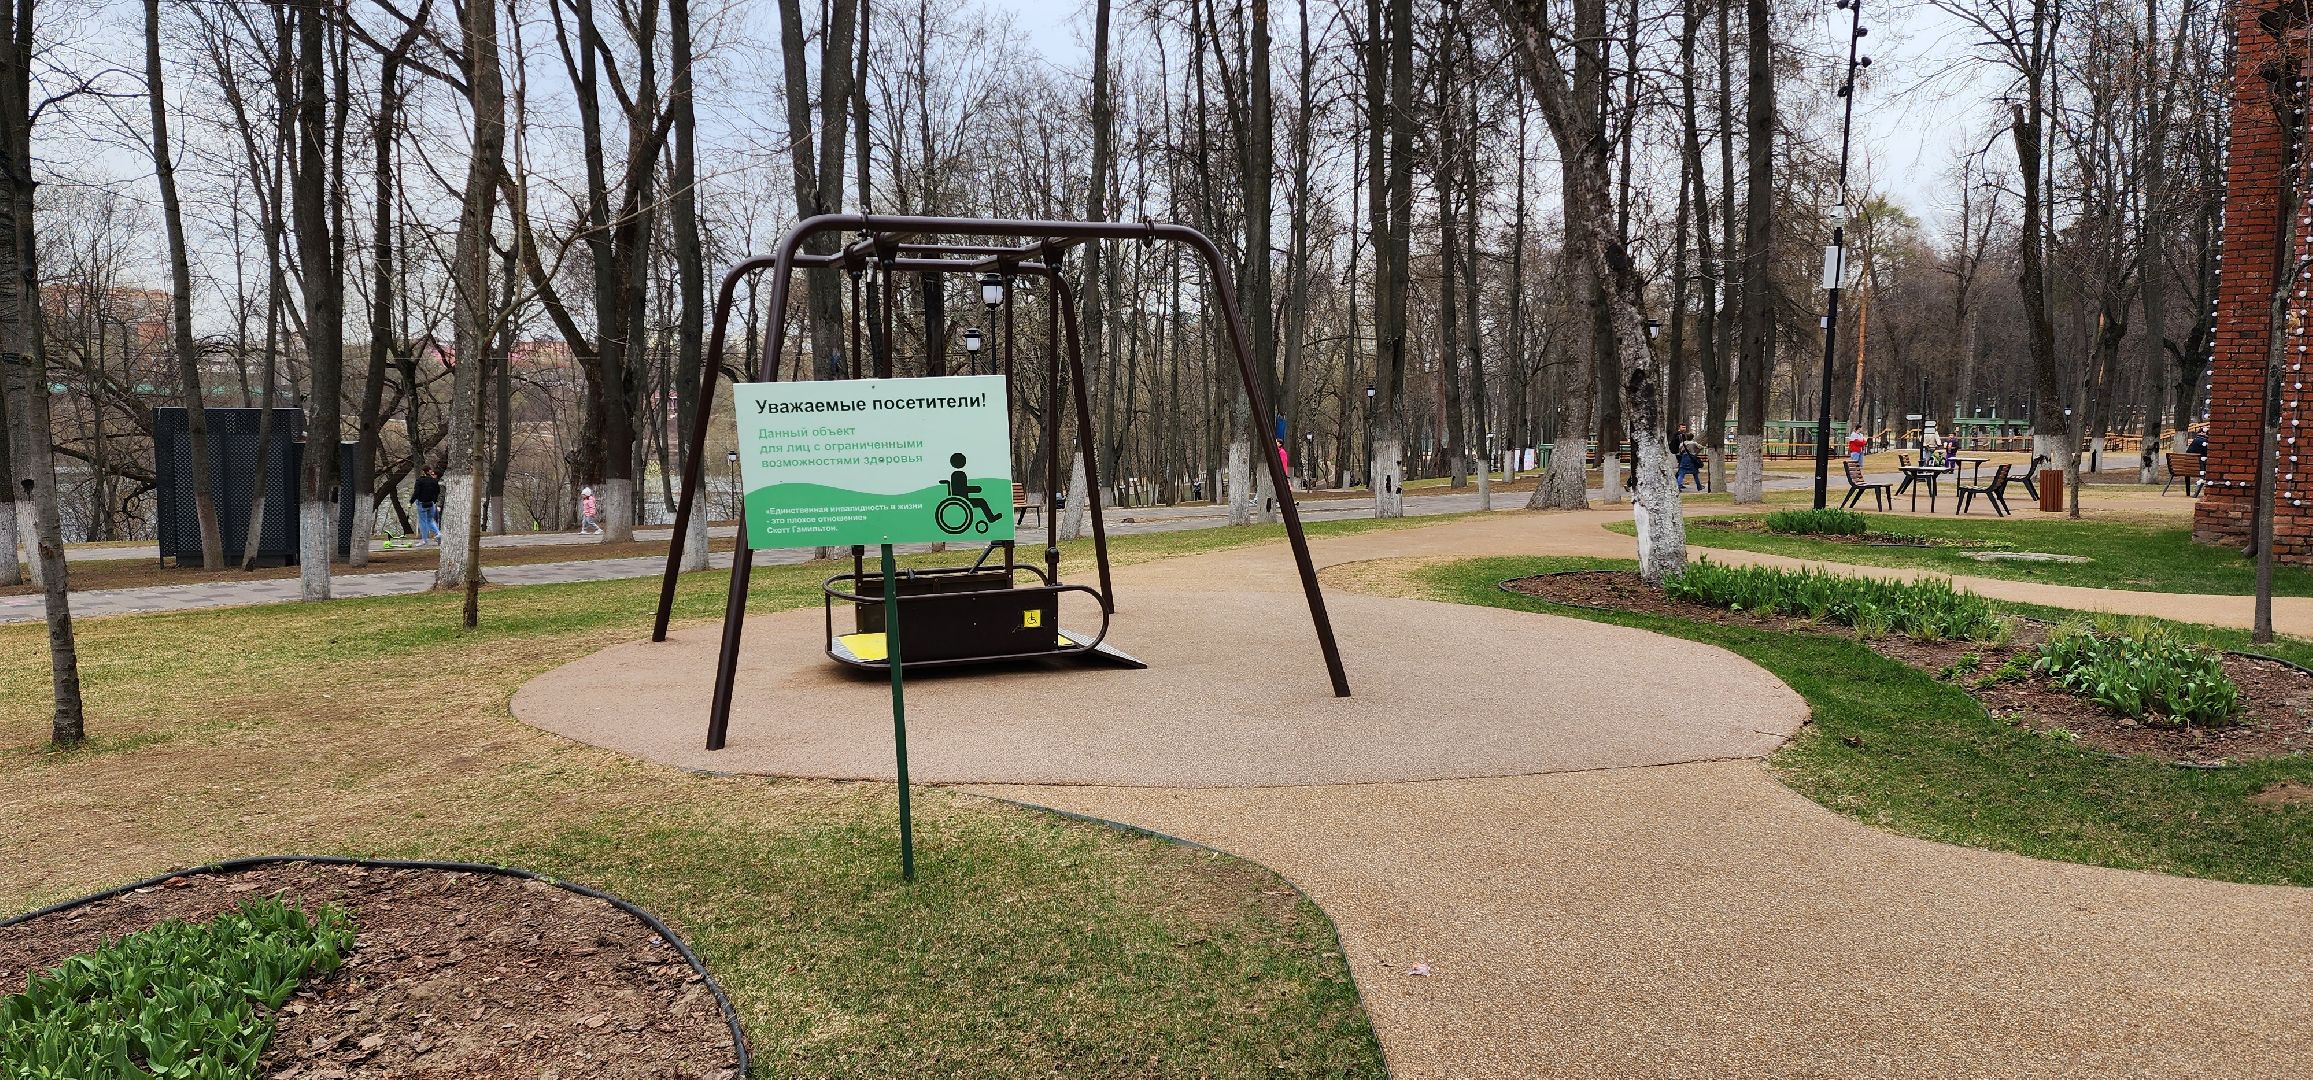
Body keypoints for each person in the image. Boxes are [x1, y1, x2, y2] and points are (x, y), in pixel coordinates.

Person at [413, 467, 442, 546]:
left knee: (423, 522)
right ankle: (438, 533)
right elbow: (437, 492)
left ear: (423, 472)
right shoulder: (434, 481)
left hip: (422, 503)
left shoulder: (420, 480)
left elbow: (416, 492)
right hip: (431, 503)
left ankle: (424, 540)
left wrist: (411, 501)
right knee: (430, 520)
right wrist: (434, 501)